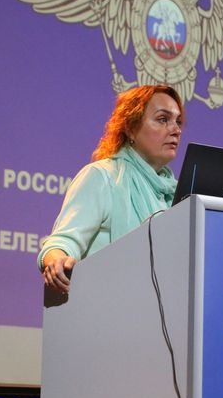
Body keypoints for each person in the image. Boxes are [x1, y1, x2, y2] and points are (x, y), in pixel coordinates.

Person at [38, 85, 184, 294]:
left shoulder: (180, 196)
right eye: (163, 119)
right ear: (131, 127)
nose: (176, 130)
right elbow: (62, 242)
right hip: (108, 303)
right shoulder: (102, 177)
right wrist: (56, 260)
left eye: (178, 121)